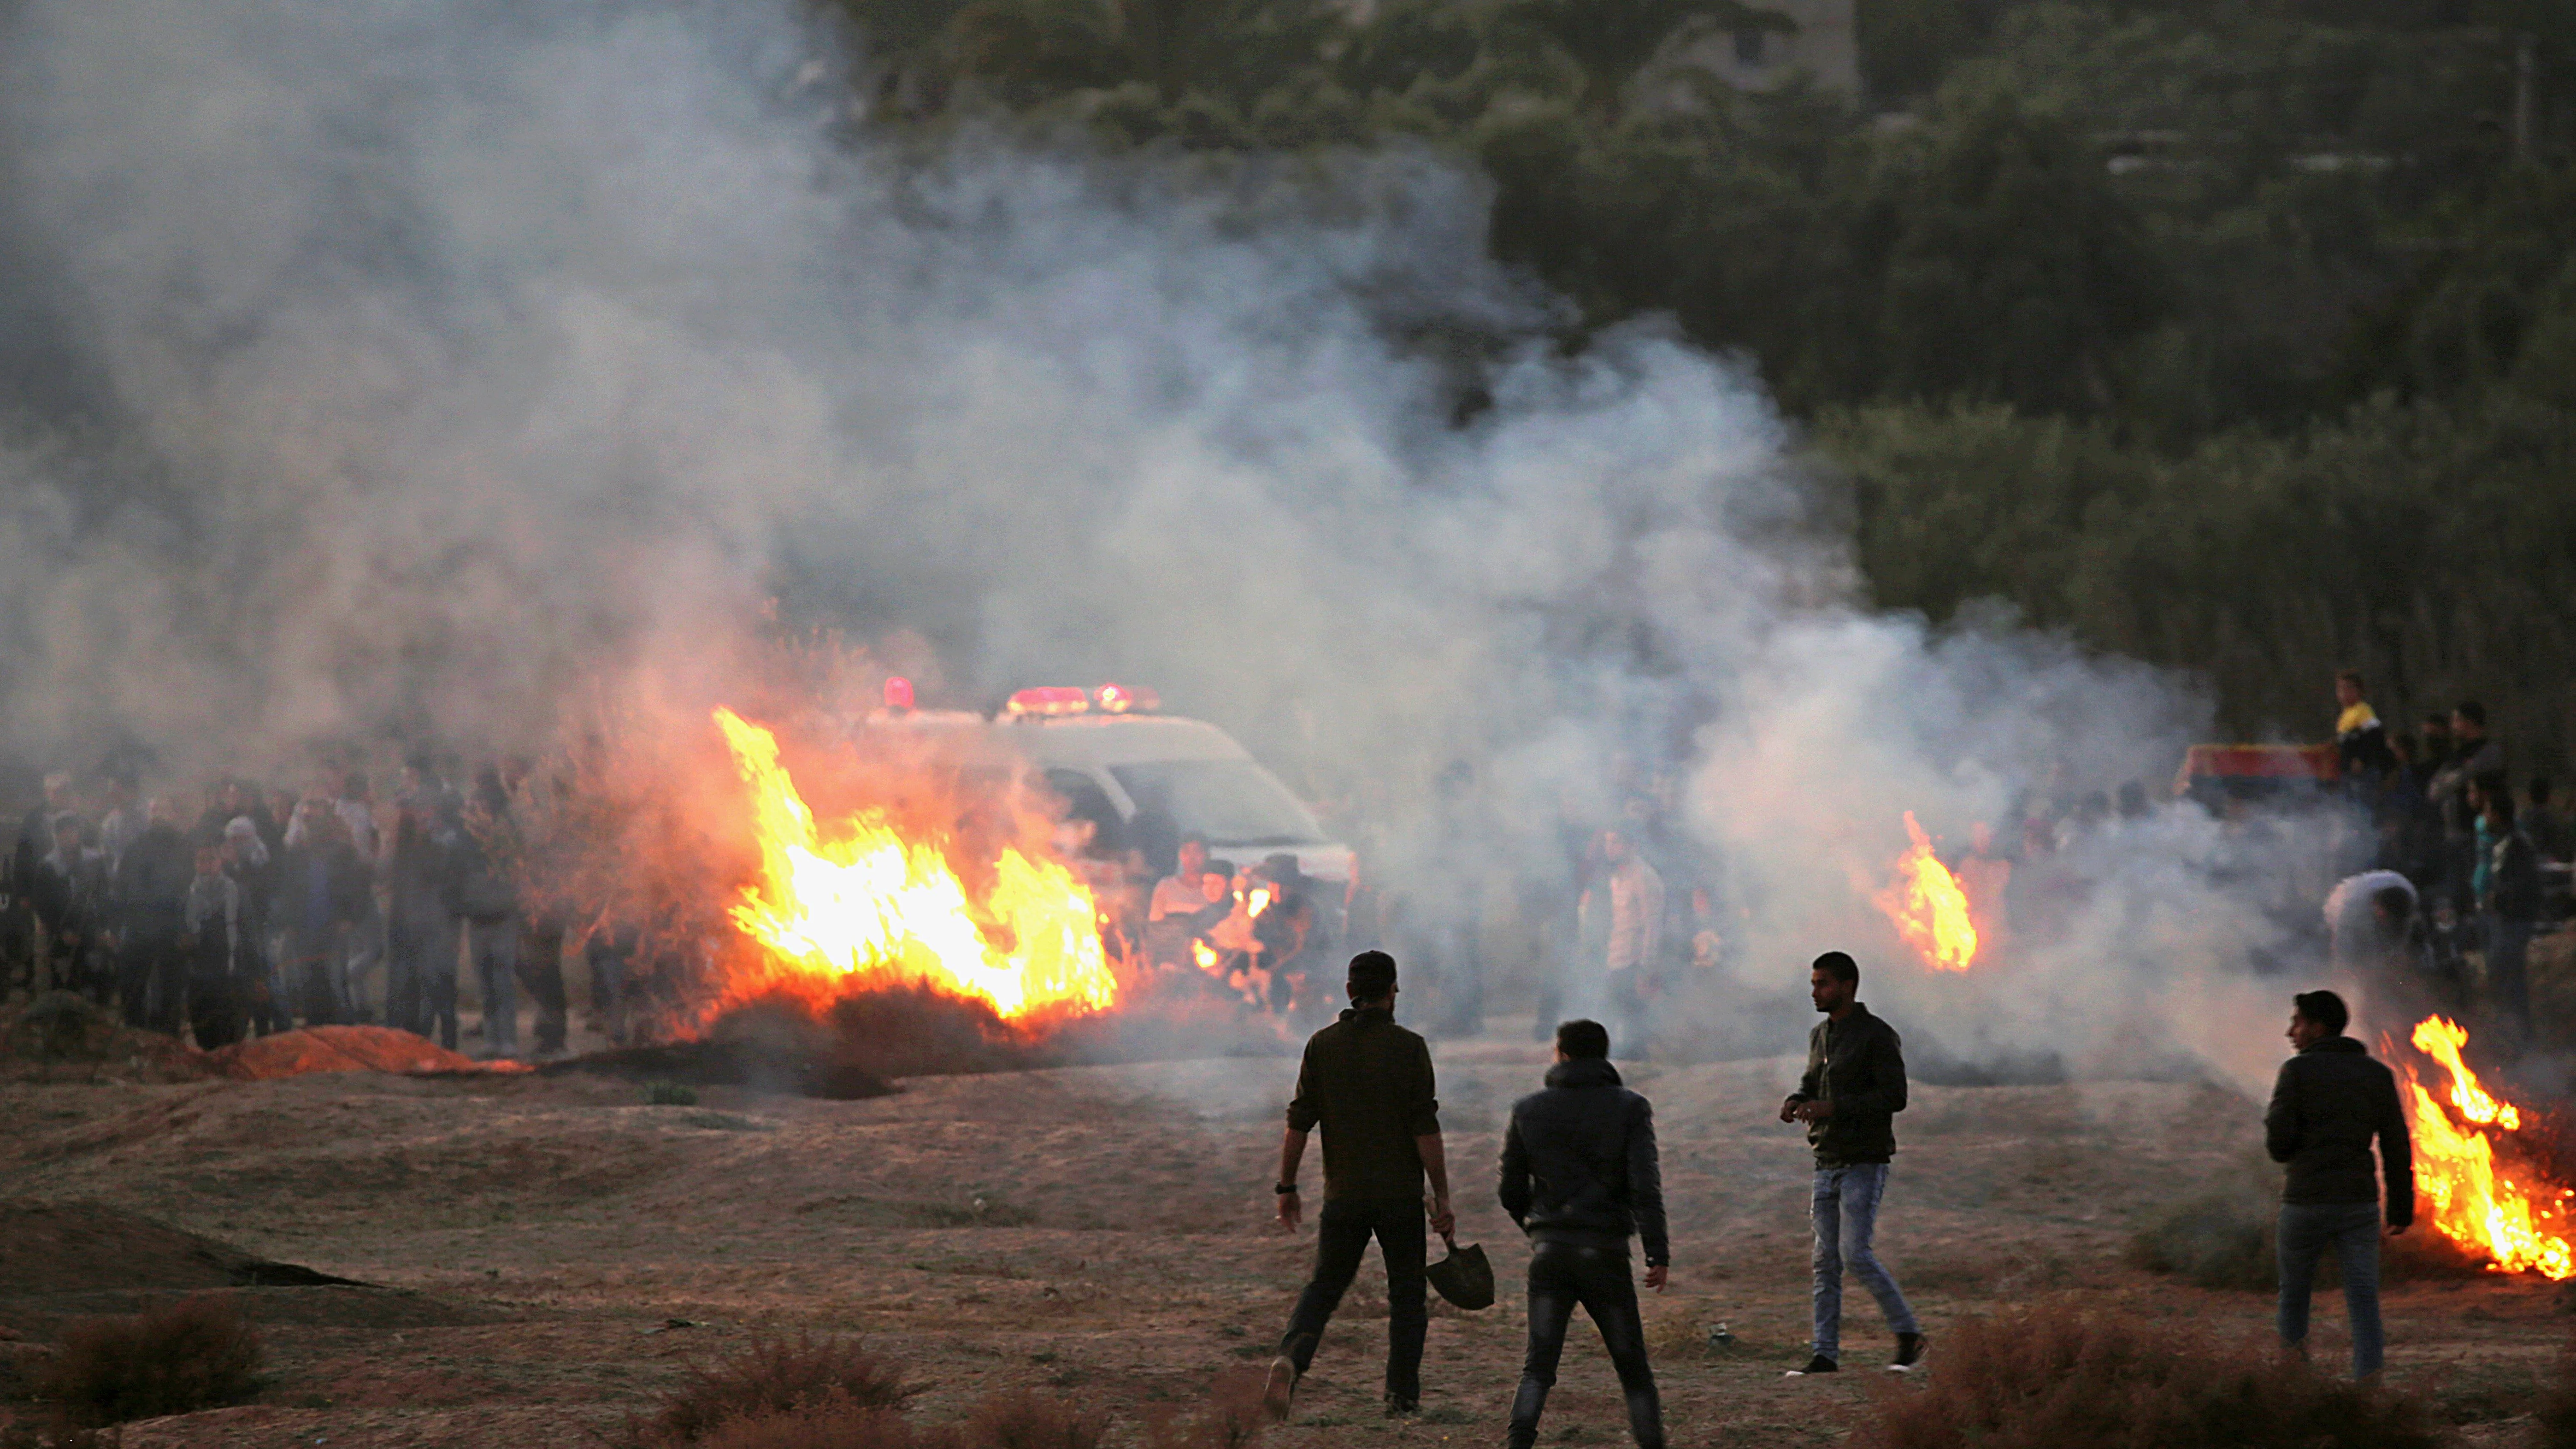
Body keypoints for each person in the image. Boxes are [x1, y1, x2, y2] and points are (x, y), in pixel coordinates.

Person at [1264, 951, 1452, 1421]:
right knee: (1407, 1295)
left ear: (1349, 992)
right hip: (1399, 1198)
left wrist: (1285, 1187)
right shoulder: (1409, 1047)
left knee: (1324, 1286)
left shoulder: (1321, 1045)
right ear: (1393, 992)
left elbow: (1298, 1122)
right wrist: (1442, 1196)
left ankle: (1291, 1358)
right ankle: (1401, 1397)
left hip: (1342, 1195)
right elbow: (1424, 1128)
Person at [1498, 1018, 1668, 1449]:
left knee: (1538, 1367)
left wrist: (1539, 1229)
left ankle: (1517, 1442)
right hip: (1605, 1253)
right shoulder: (1630, 1107)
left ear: (1561, 1053)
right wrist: (1656, 1252)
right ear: (1603, 1054)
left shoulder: (1528, 1109)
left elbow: (1510, 1190)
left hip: (1550, 1252)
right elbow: (1643, 1185)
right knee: (1632, 1369)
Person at [1779, 951, 1923, 1375]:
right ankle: (1824, 1355)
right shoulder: (1819, 1036)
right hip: (1825, 1160)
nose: (1814, 992)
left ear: (1846, 986)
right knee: (1825, 1261)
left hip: (1863, 1159)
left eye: (1822, 984)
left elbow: (1893, 1097)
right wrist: (1797, 1101)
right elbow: (1811, 1083)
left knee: (1854, 1254)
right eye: (1812, 983)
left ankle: (1908, 1336)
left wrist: (1832, 1108)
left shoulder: (1877, 1036)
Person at [2264, 989, 2411, 1378]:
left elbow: (2278, 1147)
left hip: (2305, 1202)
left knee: (2294, 1297)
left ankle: (2293, 1380)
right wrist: (2401, 1209)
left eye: (2297, 1022)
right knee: (2363, 1299)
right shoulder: (2377, 1075)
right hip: (2358, 1204)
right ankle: (2369, 1385)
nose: (2290, 1032)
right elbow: (2396, 1145)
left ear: (2318, 1028)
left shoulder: (2295, 1073)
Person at [447, 792, 523, 1057]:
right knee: (486, 982)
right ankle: (492, 1040)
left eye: (479, 805)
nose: (474, 810)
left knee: (502, 982)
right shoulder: (464, 842)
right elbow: (456, 881)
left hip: (503, 920)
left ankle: (508, 1040)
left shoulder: (506, 839)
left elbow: (516, 878)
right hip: (478, 921)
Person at [113, 798, 195, 1033]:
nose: (158, 815)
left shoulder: (185, 847)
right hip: (140, 930)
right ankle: (136, 1038)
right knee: (132, 991)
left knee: (171, 991)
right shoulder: (136, 847)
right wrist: (118, 925)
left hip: (172, 931)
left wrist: (186, 928)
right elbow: (121, 887)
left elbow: (191, 890)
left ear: (174, 815)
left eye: (164, 810)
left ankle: (168, 1042)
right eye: (154, 810)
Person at [1583, 829, 1663, 1057]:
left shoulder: (1645, 877)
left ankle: (1636, 1065)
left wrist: (1647, 968)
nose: (1610, 848)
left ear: (1633, 845)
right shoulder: (1616, 877)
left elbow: (1652, 926)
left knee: (1631, 1022)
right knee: (1610, 1017)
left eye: (1616, 843)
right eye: (1608, 842)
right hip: (1614, 958)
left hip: (1633, 962)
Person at [381, 805, 456, 1044]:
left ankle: (420, 1036)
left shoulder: (421, 853)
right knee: (423, 984)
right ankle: (428, 1037)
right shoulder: (423, 852)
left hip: (420, 926)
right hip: (414, 926)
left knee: (424, 983)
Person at [2475, 789, 2540, 1034]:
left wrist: (2499, 896)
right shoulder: (2501, 842)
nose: (2485, 817)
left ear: (2498, 815)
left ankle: (2520, 1037)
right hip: (2501, 919)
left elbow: (2528, 885)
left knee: (2510, 979)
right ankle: (2507, 1033)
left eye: (2488, 812)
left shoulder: (2518, 844)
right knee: (2501, 976)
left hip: (2514, 921)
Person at [180, 843, 246, 1049]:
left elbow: (246, 929)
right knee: (202, 1023)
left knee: (227, 1024)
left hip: (227, 966)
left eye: (210, 860)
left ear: (220, 862)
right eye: (201, 860)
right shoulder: (189, 893)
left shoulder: (235, 892)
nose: (205, 865)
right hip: (198, 968)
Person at [2332, 671, 2390, 780]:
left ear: (2359, 691)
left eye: (2349, 688)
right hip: (2349, 771)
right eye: (2341, 689)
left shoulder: (2362, 710)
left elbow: (2376, 735)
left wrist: (2361, 759)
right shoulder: (2344, 716)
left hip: (2364, 771)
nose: (2344, 692)